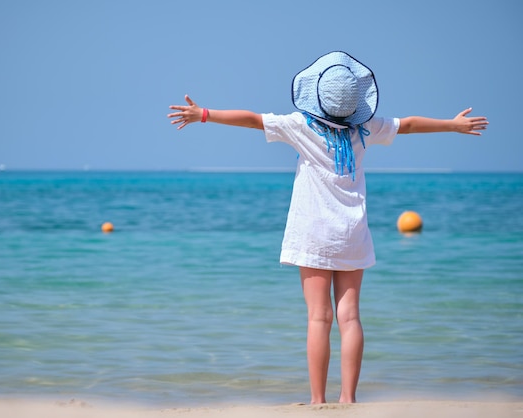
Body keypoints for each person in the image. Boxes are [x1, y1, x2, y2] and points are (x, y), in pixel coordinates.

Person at [167, 51, 488, 404]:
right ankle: (348, 399)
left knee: (319, 318)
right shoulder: (365, 129)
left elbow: (252, 120)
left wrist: (205, 115)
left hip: (314, 232)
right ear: (353, 106)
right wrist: (453, 124)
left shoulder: (301, 126)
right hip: (352, 232)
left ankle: (319, 401)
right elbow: (408, 124)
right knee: (350, 317)